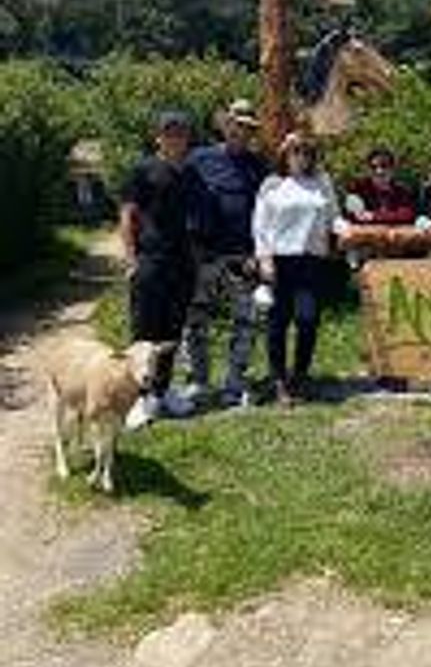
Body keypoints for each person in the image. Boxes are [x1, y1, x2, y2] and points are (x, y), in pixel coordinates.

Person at [182, 98, 269, 409]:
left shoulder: (259, 165)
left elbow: (265, 213)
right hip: (203, 255)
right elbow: (179, 200)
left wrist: (259, 253)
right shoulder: (198, 159)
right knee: (195, 321)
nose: (241, 132)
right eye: (236, 125)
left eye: (247, 128)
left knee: (245, 322)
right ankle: (198, 381)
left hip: (242, 256)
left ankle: (235, 381)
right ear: (225, 126)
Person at [119, 110, 197, 429]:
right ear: (159, 137)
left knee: (172, 331)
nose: (175, 138)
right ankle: (137, 400)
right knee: (144, 332)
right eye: (169, 133)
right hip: (150, 261)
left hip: (182, 263)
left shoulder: (191, 172)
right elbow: (127, 214)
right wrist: (131, 259)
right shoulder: (143, 169)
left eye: (180, 133)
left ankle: (162, 393)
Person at [252, 132, 343, 405]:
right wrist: (264, 258)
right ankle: (279, 380)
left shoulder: (321, 182)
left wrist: (351, 231)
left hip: (312, 260)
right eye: (295, 151)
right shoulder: (272, 184)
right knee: (277, 323)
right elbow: (260, 225)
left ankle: (300, 375)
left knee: (308, 318)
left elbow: (334, 218)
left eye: (306, 152)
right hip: (281, 260)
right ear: (285, 154)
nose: (301, 157)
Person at [344, 147, 416, 225]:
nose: (379, 171)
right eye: (373, 167)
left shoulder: (402, 191)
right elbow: (352, 216)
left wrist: (375, 216)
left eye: (384, 166)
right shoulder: (358, 189)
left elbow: (407, 215)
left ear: (392, 169)